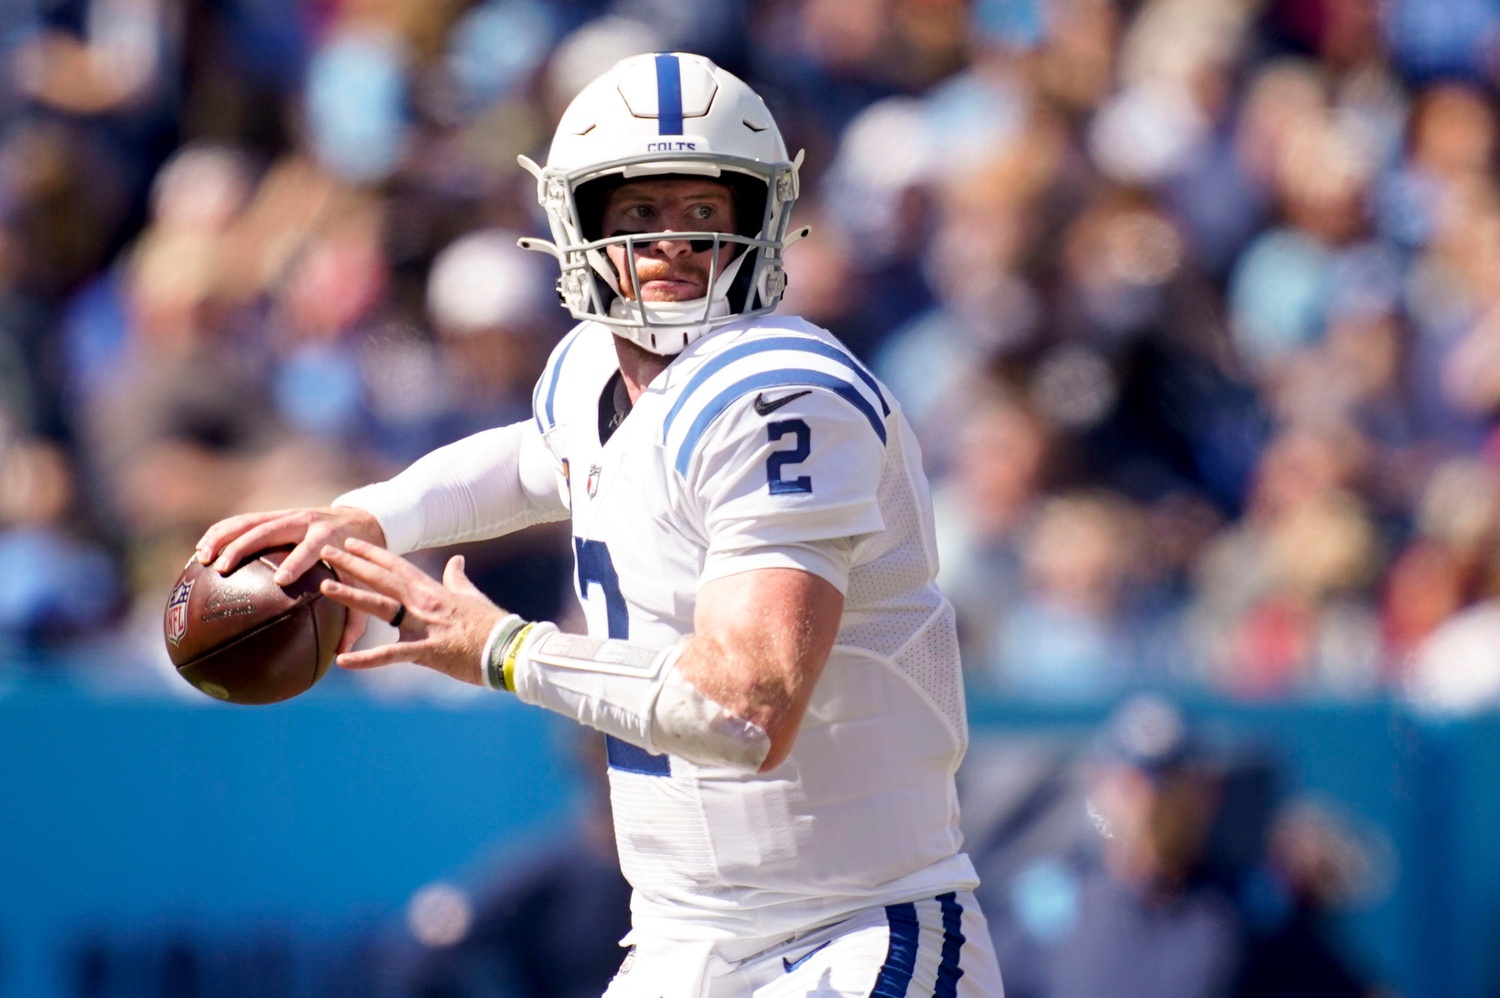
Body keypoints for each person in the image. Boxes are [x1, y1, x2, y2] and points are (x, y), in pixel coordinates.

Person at [195, 52, 1003, 997]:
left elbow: (748, 709)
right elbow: (536, 458)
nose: (671, 244)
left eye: (705, 213)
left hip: (851, 931)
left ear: (762, 220)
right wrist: (364, 516)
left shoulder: (780, 393)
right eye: (637, 215)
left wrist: (501, 649)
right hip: (679, 938)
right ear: (576, 227)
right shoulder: (590, 372)